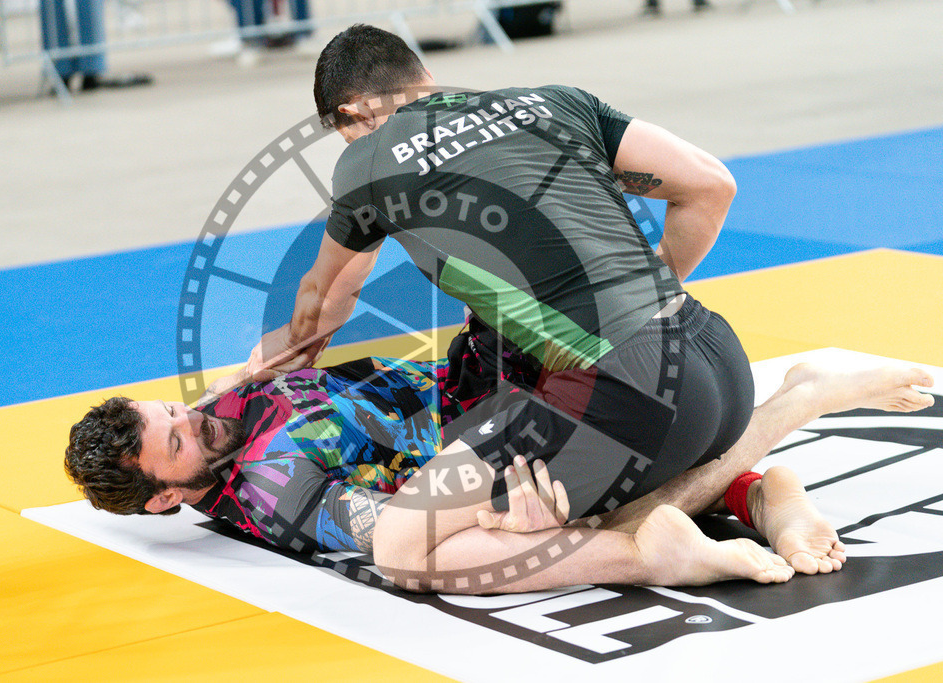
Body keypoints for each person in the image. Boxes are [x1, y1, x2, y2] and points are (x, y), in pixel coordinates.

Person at [238, 24, 763, 529]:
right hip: (721, 364)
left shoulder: (368, 159)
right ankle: (756, 480)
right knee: (616, 463)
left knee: (413, 531)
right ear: (421, 74)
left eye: (345, 133)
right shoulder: (555, 100)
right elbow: (711, 186)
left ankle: (794, 407)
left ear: (352, 112)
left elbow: (326, 298)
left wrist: (268, 359)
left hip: (631, 399)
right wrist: (650, 295)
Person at [65, 344, 935, 593]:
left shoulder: (227, 405)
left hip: (480, 380)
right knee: (430, 562)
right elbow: (392, 533)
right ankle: (755, 479)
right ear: (165, 499)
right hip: (485, 440)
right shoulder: (273, 490)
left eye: (172, 409)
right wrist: (497, 523)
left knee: (602, 489)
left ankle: (777, 428)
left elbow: (275, 350)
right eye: (175, 440)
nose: (194, 419)